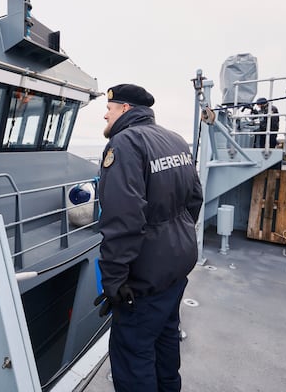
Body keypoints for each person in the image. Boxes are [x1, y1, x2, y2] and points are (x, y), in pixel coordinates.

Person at [93, 84, 203, 392]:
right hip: (176, 267)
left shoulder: (125, 143)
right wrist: (172, 239)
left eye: (109, 109)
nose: (105, 114)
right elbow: (194, 200)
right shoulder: (175, 139)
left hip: (145, 279)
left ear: (125, 109)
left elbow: (122, 218)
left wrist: (113, 280)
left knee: (133, 354)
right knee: (166, 339)